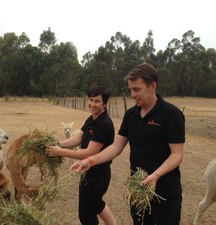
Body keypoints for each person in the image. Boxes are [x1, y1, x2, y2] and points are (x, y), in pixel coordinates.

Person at [70, 63, 185, 225]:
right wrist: (90, 161)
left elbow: (177, 154)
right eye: (130, 89)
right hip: (138, 189)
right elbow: (116, 147)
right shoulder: (131, 115)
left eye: (137, 89)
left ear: (153, 86)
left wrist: (155, 176)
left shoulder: (171, 114)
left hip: (165, 192)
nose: (132, 94)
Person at [46, 85, 117, 225]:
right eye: (91, 100)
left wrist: (59, 152)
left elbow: (89, 152)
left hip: (98, 175)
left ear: (105, 104)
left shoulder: (104, 124)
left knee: (87, 214)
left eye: (97, 101)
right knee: (93, 207)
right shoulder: (92, 119)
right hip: (87, 172)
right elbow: (77, 139)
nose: (92, 104)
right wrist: (57, 144)